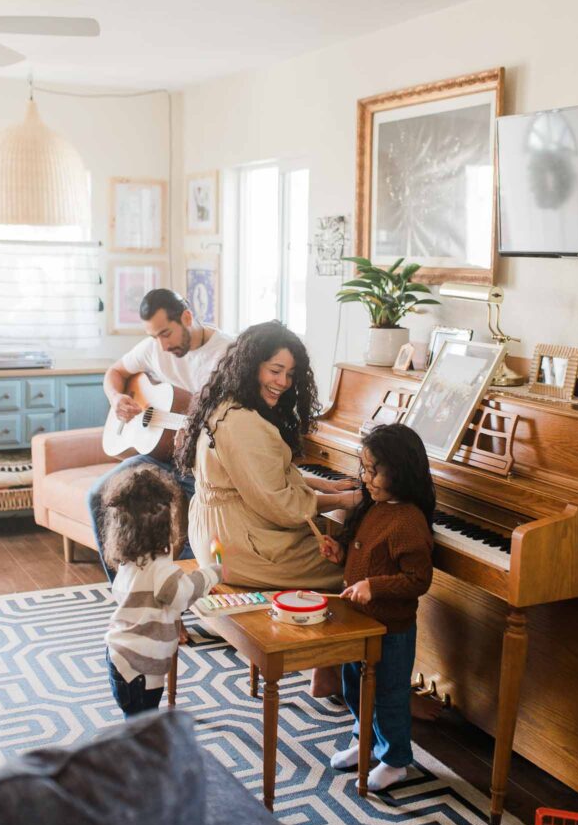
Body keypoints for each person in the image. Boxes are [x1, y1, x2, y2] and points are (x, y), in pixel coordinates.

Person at [175, 320, 361, 591]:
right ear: (251, 366)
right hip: (237, 549)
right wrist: (343, 500)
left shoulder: (225, 402)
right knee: (359, 563)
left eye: (290, 374)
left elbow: (257, 477)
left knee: (339, 542)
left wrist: (321, 484)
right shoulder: (243, 422)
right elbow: (281, 505)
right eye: (275, 371)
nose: (283, 383)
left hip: (215, 536)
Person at [89, 288, 232, 581]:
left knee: (194, 521)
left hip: (202, 467)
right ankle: (128, 597)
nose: (161, 345)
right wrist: (116, 398)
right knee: (97, 496)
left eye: (166, 333)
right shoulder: (153, 348)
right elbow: (114, 372)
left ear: (187, 317)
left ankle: (186, 606)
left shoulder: (228, 355)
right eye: (154, 336)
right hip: (161, 457)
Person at [322, 422, 435, 791]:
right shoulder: (376, 507)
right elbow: (367, 560)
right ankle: (364, 740)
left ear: (399, 471)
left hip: (391, 630)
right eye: (364, 469)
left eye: (374, 471)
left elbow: (418, 580)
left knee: (388, 695)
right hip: (361, 624)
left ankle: (396, 759)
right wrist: (340, 554)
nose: (366, 478)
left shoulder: (408, 521)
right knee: (354, 685)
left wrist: (375, 587)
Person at [103, 463, 222, 717]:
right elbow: (182, 594)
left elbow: (162, 591)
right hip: (140, 670)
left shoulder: (129, 562)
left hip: (118, 657)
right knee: (144, 732)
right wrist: (212, 573)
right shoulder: (160, 569)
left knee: (136, 727)